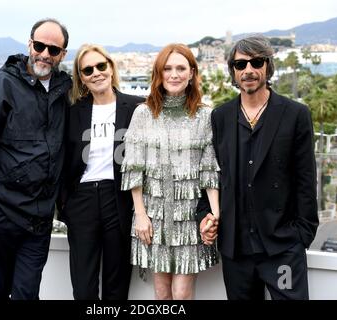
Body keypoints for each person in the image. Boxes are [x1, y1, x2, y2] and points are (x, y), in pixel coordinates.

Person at [197, 35, 319, 300]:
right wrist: (205, 215)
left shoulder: (295, 114)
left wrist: (301, 237)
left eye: (256, 62)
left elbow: (306, 180)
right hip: (236, 250)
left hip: (282, 247)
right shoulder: (220, 116)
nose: (248, 70)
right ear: (233, 71)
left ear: (267, 67)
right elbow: (213, 175)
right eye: (240, 65)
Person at [0, 18, 71, 300]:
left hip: (38, 223)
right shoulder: (1, 84)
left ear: (63, 55)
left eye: (53, 49)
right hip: (0, 214)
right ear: (29, 44)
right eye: (40, 45)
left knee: (26, 295)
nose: (45, 54)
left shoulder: (64, 91)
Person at [120, 43, 220, 300]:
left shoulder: (205, 115)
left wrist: (214, 217)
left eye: (180, 68)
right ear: (158, 74)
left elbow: (210, 169)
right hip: (153, 217)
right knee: (162, 295)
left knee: (182, 293)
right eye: (167, 68)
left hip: (189, 219)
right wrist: (140, 215)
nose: (174, 74)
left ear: (191, 73)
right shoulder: (143, 113)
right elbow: (133, 168)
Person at [59, 44, 145, 300]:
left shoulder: (136, 107)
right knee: (83, 287)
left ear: (110, 68)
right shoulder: (72, 110)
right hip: (81, 200)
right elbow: (61, 156)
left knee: (116, 284)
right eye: (88, 70)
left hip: (118, 197)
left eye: (100, 66)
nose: (95, 72)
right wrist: (65, 203)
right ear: (81, 77)